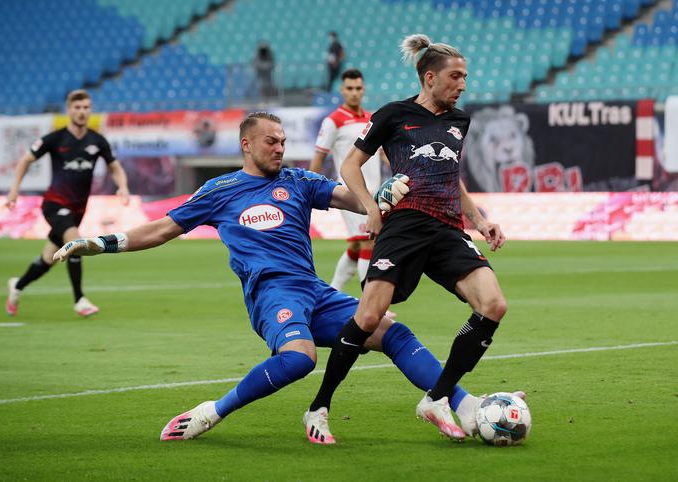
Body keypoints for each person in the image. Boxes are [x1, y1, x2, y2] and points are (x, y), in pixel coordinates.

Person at [53, 112, 488, 444]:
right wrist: (102, 243)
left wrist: (379, 196)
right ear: (247, 144)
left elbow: (346, 198)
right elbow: (162, 229)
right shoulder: (219, 191)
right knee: (300, 358)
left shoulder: (298, 180)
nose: (280, 148)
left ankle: (466, 405)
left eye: (282, 141)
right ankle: (212, 412)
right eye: (270, 141)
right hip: (271, 293)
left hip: (314, 291)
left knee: (392, 331)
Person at [304, 34, 514, 442]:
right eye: (456, 76)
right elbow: (350, 165)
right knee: (368, 318)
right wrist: (369, 207)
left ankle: (436, 397)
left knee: (494, 304)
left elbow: (453, 178)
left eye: (466, 76)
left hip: (448, 228)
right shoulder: (393, 115)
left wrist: (479, 219)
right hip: (403, 226)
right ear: (430, 77)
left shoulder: (459, 121)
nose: (463, 84)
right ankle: (319, 406)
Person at [4, 89, 130, 317]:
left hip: (78, 209)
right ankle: (79, 299)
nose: (82, 112)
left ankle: (17, 285)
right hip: (54, 203)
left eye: (86, 108)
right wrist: (14, 191)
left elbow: (114, 166)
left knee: (48, 259)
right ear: (69, 109)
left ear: (90, 110)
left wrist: (123, 186)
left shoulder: (97, 140)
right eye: (77, 108)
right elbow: (25, 160)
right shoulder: (55, 138)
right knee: (76, 241)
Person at [310, 68, 384, 291]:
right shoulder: (333, 121)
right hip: (352, 193)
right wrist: (311, 191)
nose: (354, 93)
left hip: (375, 191)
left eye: (358, 88)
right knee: (368, 241)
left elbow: (383, 153)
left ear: (364, 90)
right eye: (350, 88)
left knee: (355, 246)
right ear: (342, 90)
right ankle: (369, 303)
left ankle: (331, 293)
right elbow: (319, 157)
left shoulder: (372, 119)